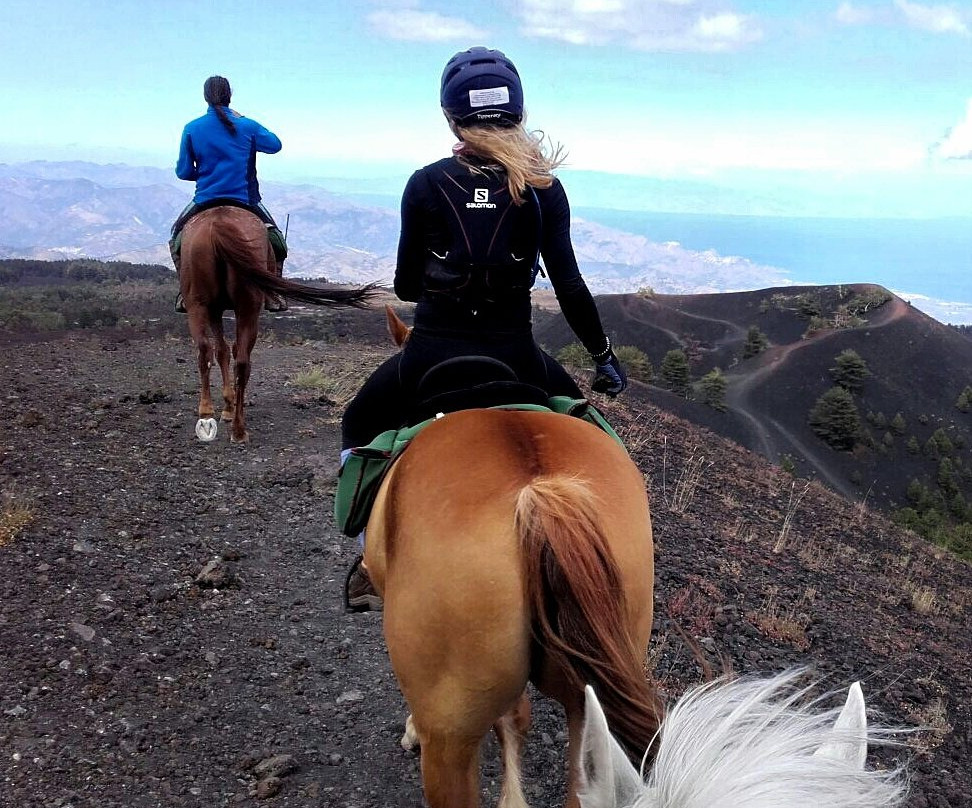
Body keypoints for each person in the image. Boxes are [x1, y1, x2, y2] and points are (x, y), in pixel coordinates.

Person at [341, 46, 627, 612]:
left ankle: (369, 554)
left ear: (450, 118)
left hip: (430, 356)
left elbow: (405, 287)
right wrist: (602, 357)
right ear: (519, 115)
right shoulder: (545, 188)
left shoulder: (425, 184)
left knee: (357, 425)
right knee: (603, 446)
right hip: (516, 357)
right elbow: (569, 286)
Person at [170, 75, 288, 312]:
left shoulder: (192, 128)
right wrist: (242, 118)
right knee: (276, 241)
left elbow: (183, 172)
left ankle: (186, 292)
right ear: (229, 96)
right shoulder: (246, 125)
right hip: (245, 199)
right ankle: (272, 293)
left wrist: (205, 174)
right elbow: (275, 145)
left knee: (176, 238)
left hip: (205, 199)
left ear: (205, 97)